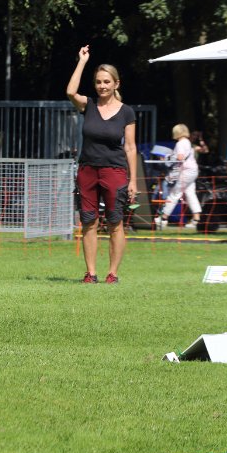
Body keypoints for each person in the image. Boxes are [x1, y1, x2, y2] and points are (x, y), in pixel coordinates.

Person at [66, 45, 137, 284]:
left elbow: (130, 147)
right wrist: (82, 61)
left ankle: (113, 274)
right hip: (87, 171)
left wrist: (133, 181)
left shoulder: (126, 112)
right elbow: (70, 91)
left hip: (115, 172)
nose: (102, 86)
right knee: (89, 222)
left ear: (116, 84)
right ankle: (91, 273)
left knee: (115, 223)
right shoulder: (88, 105)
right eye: (98, 82)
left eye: (107, 82)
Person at [154, 124, 201, 229]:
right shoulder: (188, 142)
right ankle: (196, 219)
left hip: (185, 171)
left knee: (174, 193)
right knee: (190, 193)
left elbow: (180, 157)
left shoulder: (180, 143)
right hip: (193, 170)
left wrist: (167, 158)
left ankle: (163, 218)